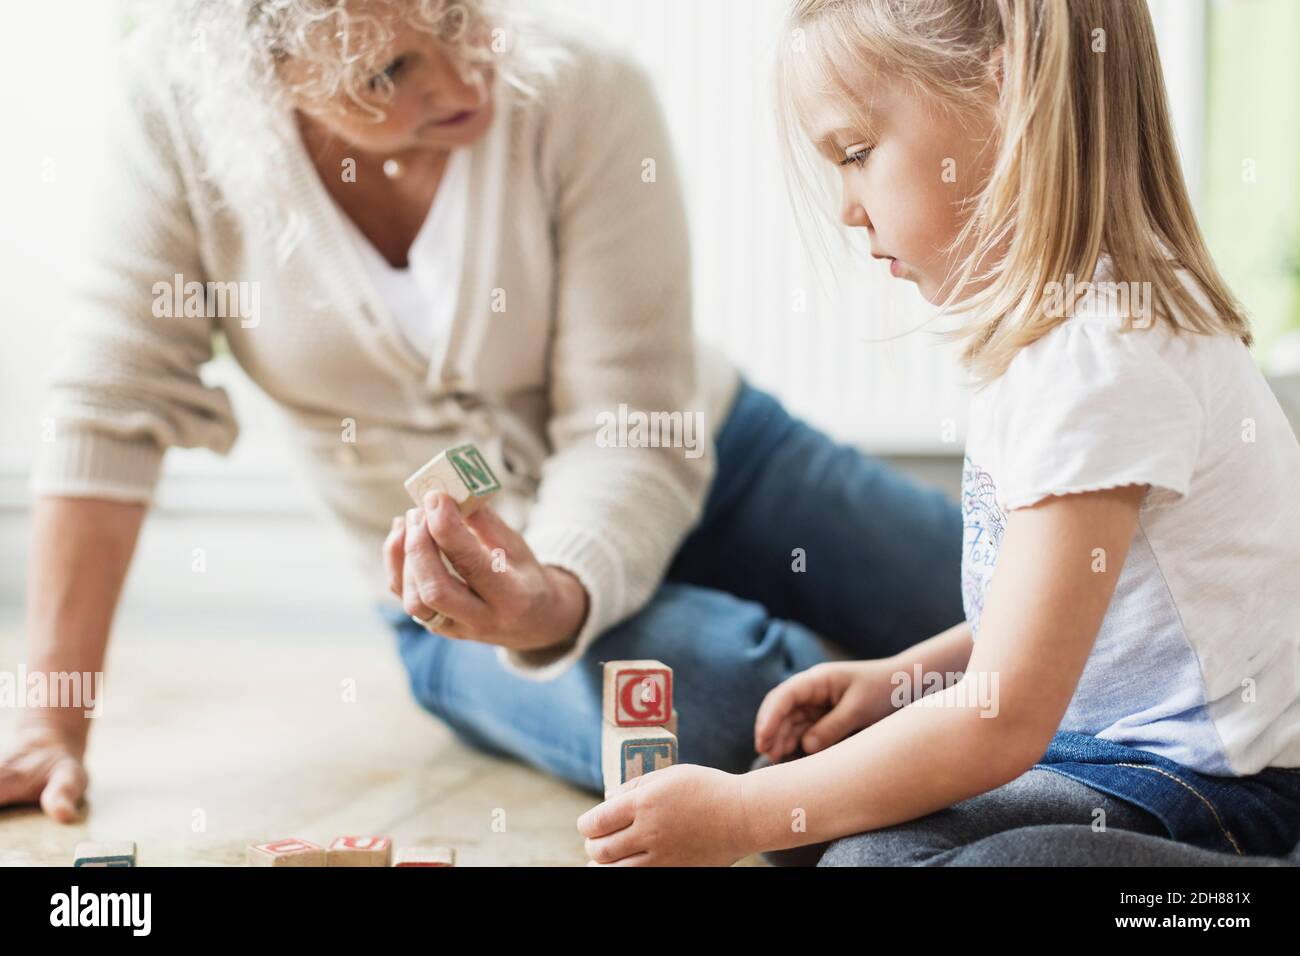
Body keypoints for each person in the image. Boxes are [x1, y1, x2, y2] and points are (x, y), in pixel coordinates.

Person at [1, 0, 962, 820]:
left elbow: (629, 428)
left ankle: (943, 714)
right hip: (458, 606)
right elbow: (106, 412)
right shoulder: (175, 117)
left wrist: (558, 586)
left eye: (462, 18)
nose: (465, 85)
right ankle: (918, 726)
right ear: (265, 75)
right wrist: (52, 718)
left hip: (721, 460)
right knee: (732, 709)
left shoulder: (586, 91)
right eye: (389, 72)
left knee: (1007, 601)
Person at [578, 0, 1300, 866]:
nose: (848, 208)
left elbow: (1002, 720)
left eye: (856, 154)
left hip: (1221, 798)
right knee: (828, 829)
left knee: (872, 848)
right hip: (1097, 759)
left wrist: (741, 815)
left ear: (1010, 86)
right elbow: (1052, 614)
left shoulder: (1106, 356)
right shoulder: (1049, 334)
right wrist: (899, 682)